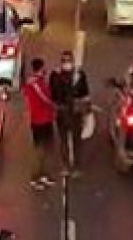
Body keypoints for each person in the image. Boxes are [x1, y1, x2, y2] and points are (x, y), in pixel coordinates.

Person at [48, 50, 91, 175]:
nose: (66, 63)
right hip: (62, 112)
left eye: (68, 61)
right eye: (64, 61)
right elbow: (52, 94)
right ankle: (65, 165)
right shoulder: (55, 75)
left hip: (76, 112)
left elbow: (85, 93)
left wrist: (87, 111)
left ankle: (76, 166)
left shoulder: (79, 75)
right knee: (63, 140)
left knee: (77, 140)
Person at [22, 58, 58, 191]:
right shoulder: (35, 84)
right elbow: (46, 99)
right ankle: (35, 177)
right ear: (40, 68)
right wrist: (56, 106)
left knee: (47, 149)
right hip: (39, 121)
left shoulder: (39, 81)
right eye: (44, 68)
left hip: (46, 119)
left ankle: (43, 175)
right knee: (39, 151)